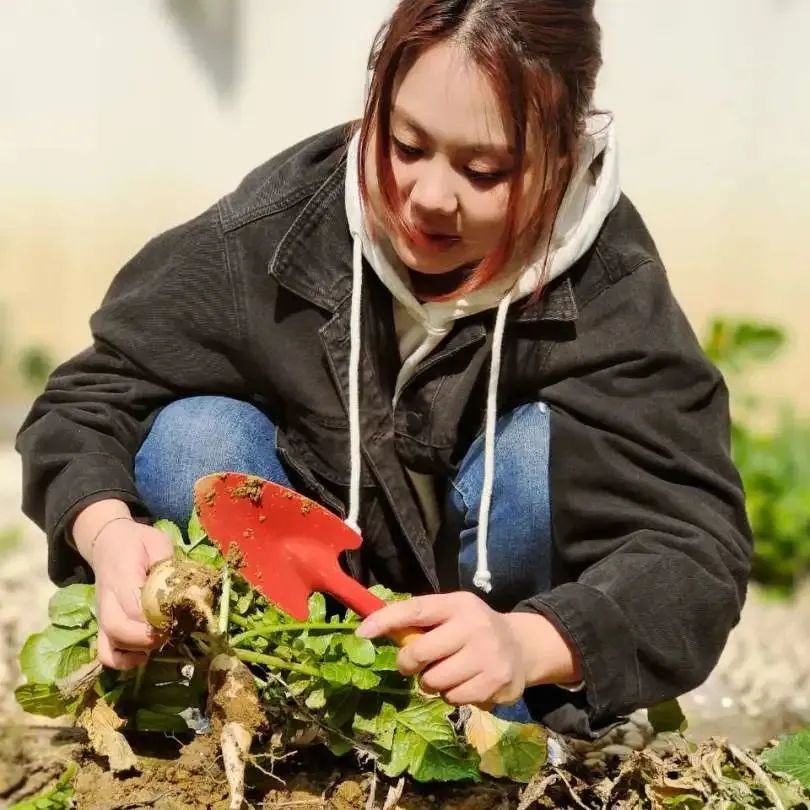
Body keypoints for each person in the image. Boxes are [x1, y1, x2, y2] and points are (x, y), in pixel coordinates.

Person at [16, 0, 752, 738]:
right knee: (191, 439)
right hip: (318, 641)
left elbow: (695, 544)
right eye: (406, 146)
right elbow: (89, 396)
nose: (431, 198)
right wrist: (109, 535)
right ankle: (268, 717)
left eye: (485, 169)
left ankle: (529, 737)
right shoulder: (280, 227)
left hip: (503, 668)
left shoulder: (610, 286)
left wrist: (535, 643)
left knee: (538, 456)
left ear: (563, 156)